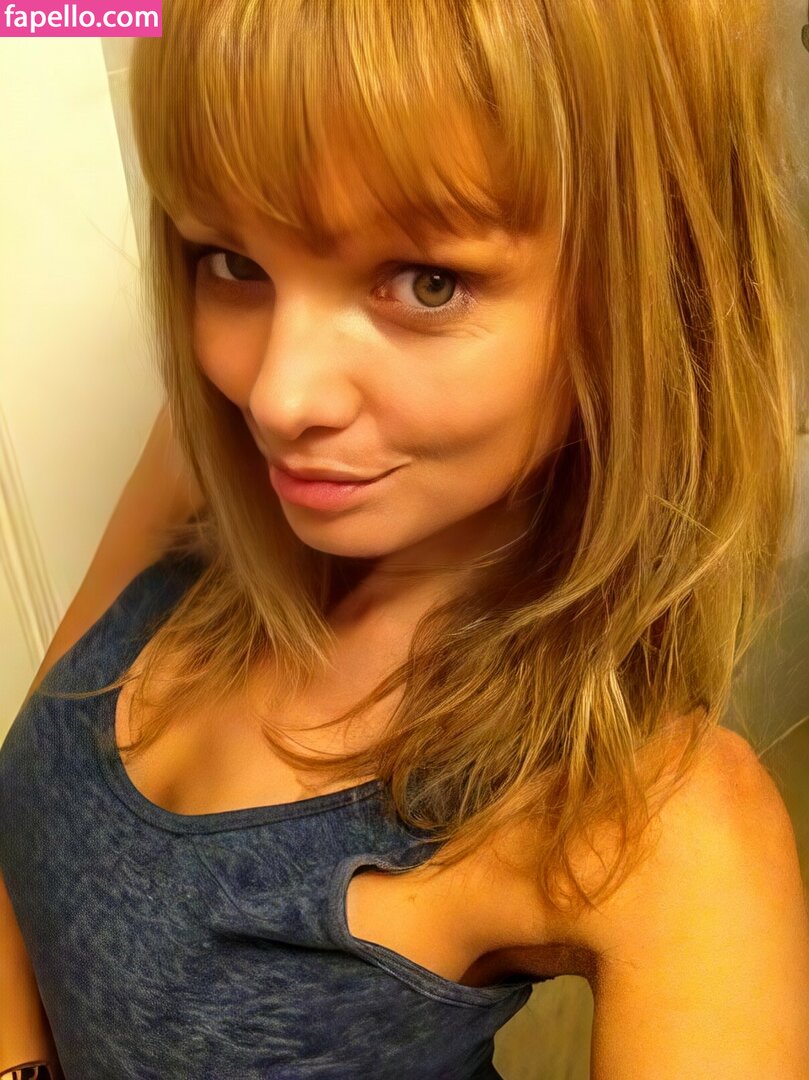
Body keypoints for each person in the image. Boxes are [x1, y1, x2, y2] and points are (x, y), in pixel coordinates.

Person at [2, 1, 809, 1077]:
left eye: (427, 283)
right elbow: (18, 813)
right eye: (231, 260)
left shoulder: (661, 822)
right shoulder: (203, 465)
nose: (278, 395)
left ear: (652, 285)